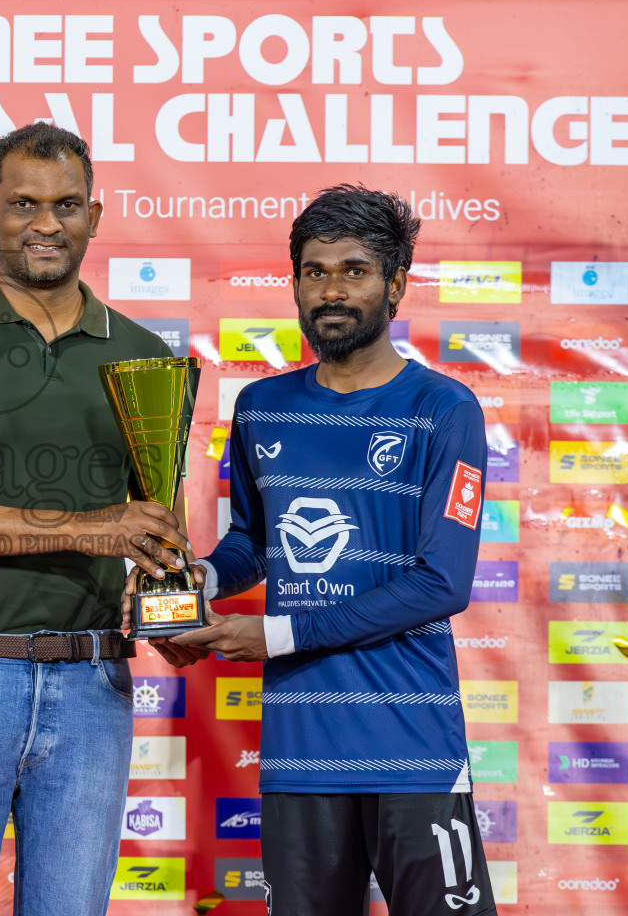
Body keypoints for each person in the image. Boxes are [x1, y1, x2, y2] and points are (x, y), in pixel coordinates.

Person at [0, 122, 191, 914]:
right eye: (23, 204)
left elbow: (159, 527)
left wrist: (172, 606)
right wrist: (95, 529)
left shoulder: (145, 353)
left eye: (67, 205)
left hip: (92, 683)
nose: (46, 223)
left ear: (96, 215)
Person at [171, 185, 496, 916]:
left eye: (355, 270)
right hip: (299, 752)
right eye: (314, 272)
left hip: (410, 747)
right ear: (293, 286)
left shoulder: (443, 409)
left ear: (397, 286)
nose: (332, 290)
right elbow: (253, 544)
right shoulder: (263, 407)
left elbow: (442, 583)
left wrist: (277, 634)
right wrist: (194, 579)